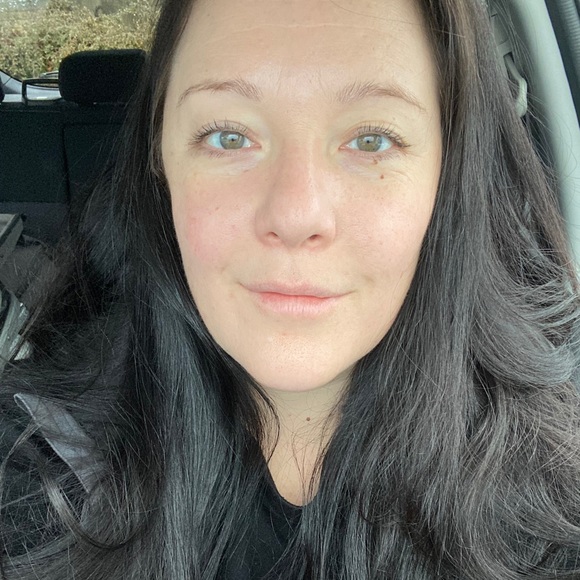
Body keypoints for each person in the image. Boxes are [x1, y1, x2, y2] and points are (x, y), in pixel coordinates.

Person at [1, 0, 580, 578]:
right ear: (161, 157)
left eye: (372, 140)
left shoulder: (556, 494)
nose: (296, 214)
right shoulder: (38, 464)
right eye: (228, 136)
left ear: (447, 172)